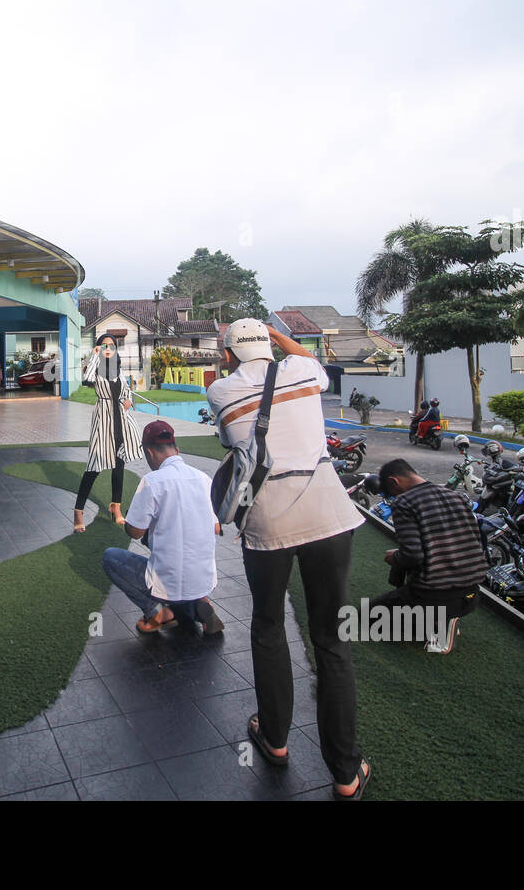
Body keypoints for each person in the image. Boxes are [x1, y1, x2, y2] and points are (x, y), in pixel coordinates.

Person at [206, 318, 371, 799]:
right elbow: (307, 359)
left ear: (229, 353)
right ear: (270, 347)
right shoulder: (302, 369)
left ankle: (275, 740)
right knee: (332, 643)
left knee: (269, 628)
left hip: (268, 523)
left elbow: (235, 448)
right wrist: (279, 338)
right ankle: (344, 774)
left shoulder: (219, 391)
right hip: (328, 516)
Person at [101, 420, 225, 635]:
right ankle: (199, 603)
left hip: (170, 578)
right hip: (204, 578)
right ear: (177, 450)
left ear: (149, 453)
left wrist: (138, 518)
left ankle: (157, 613)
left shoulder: (153, 481)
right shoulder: (203, 478)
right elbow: (215, 527)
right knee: (172, 540)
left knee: (111, 557)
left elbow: (134, 531)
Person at [369, 459, 486, 653]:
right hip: (472, 593)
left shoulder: (405, 502)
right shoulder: (456, 496)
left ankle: (437, 625)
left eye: (392, 493)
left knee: (370, 617)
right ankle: (442, 616)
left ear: (394, 482)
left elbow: (412, 555)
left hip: (435, 595)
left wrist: (395, 557)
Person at [74, 333, 143, 533]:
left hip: (120, 419)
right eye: (103, 345)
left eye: (111, 345)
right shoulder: (96, 367)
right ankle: (78, 512)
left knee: (119, 464)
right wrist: (93, 355)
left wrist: (129, 399)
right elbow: (86, 379)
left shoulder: (117, 370)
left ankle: (116, 506)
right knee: (94, 466)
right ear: (98, 347)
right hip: (103, 419)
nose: (108, 348)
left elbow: (126, 389)